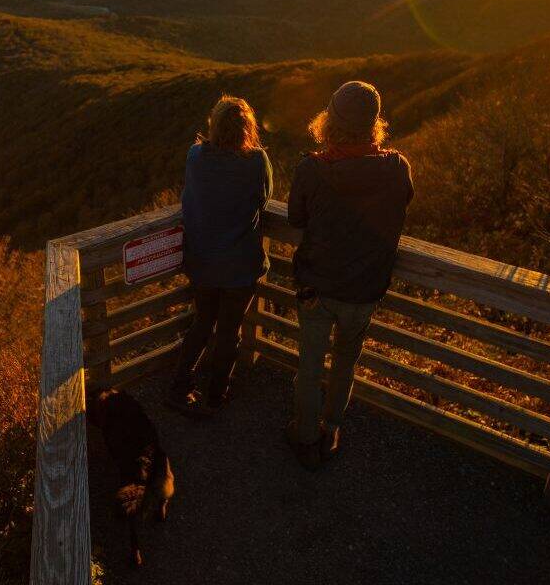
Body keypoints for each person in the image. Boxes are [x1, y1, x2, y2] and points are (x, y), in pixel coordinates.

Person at [286, 81, 413, 470]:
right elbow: (400, 206)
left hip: (317, 287)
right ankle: (332, 429)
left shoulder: (312, 169)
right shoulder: (396, 168)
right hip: (363, 291)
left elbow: (295, 218)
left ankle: (305, 435)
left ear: (329, 121)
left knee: (310, 365)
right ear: (374, 124)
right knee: (345, 363)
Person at [166, 95, 272, 417]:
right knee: (229, 331)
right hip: (239, 267)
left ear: (214, 125)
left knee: (202, 322)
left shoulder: (196, 155)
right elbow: (264, 199)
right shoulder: (256, 161)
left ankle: (180, 386)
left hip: (202, 262)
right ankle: (216, 394)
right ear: (247, 128)